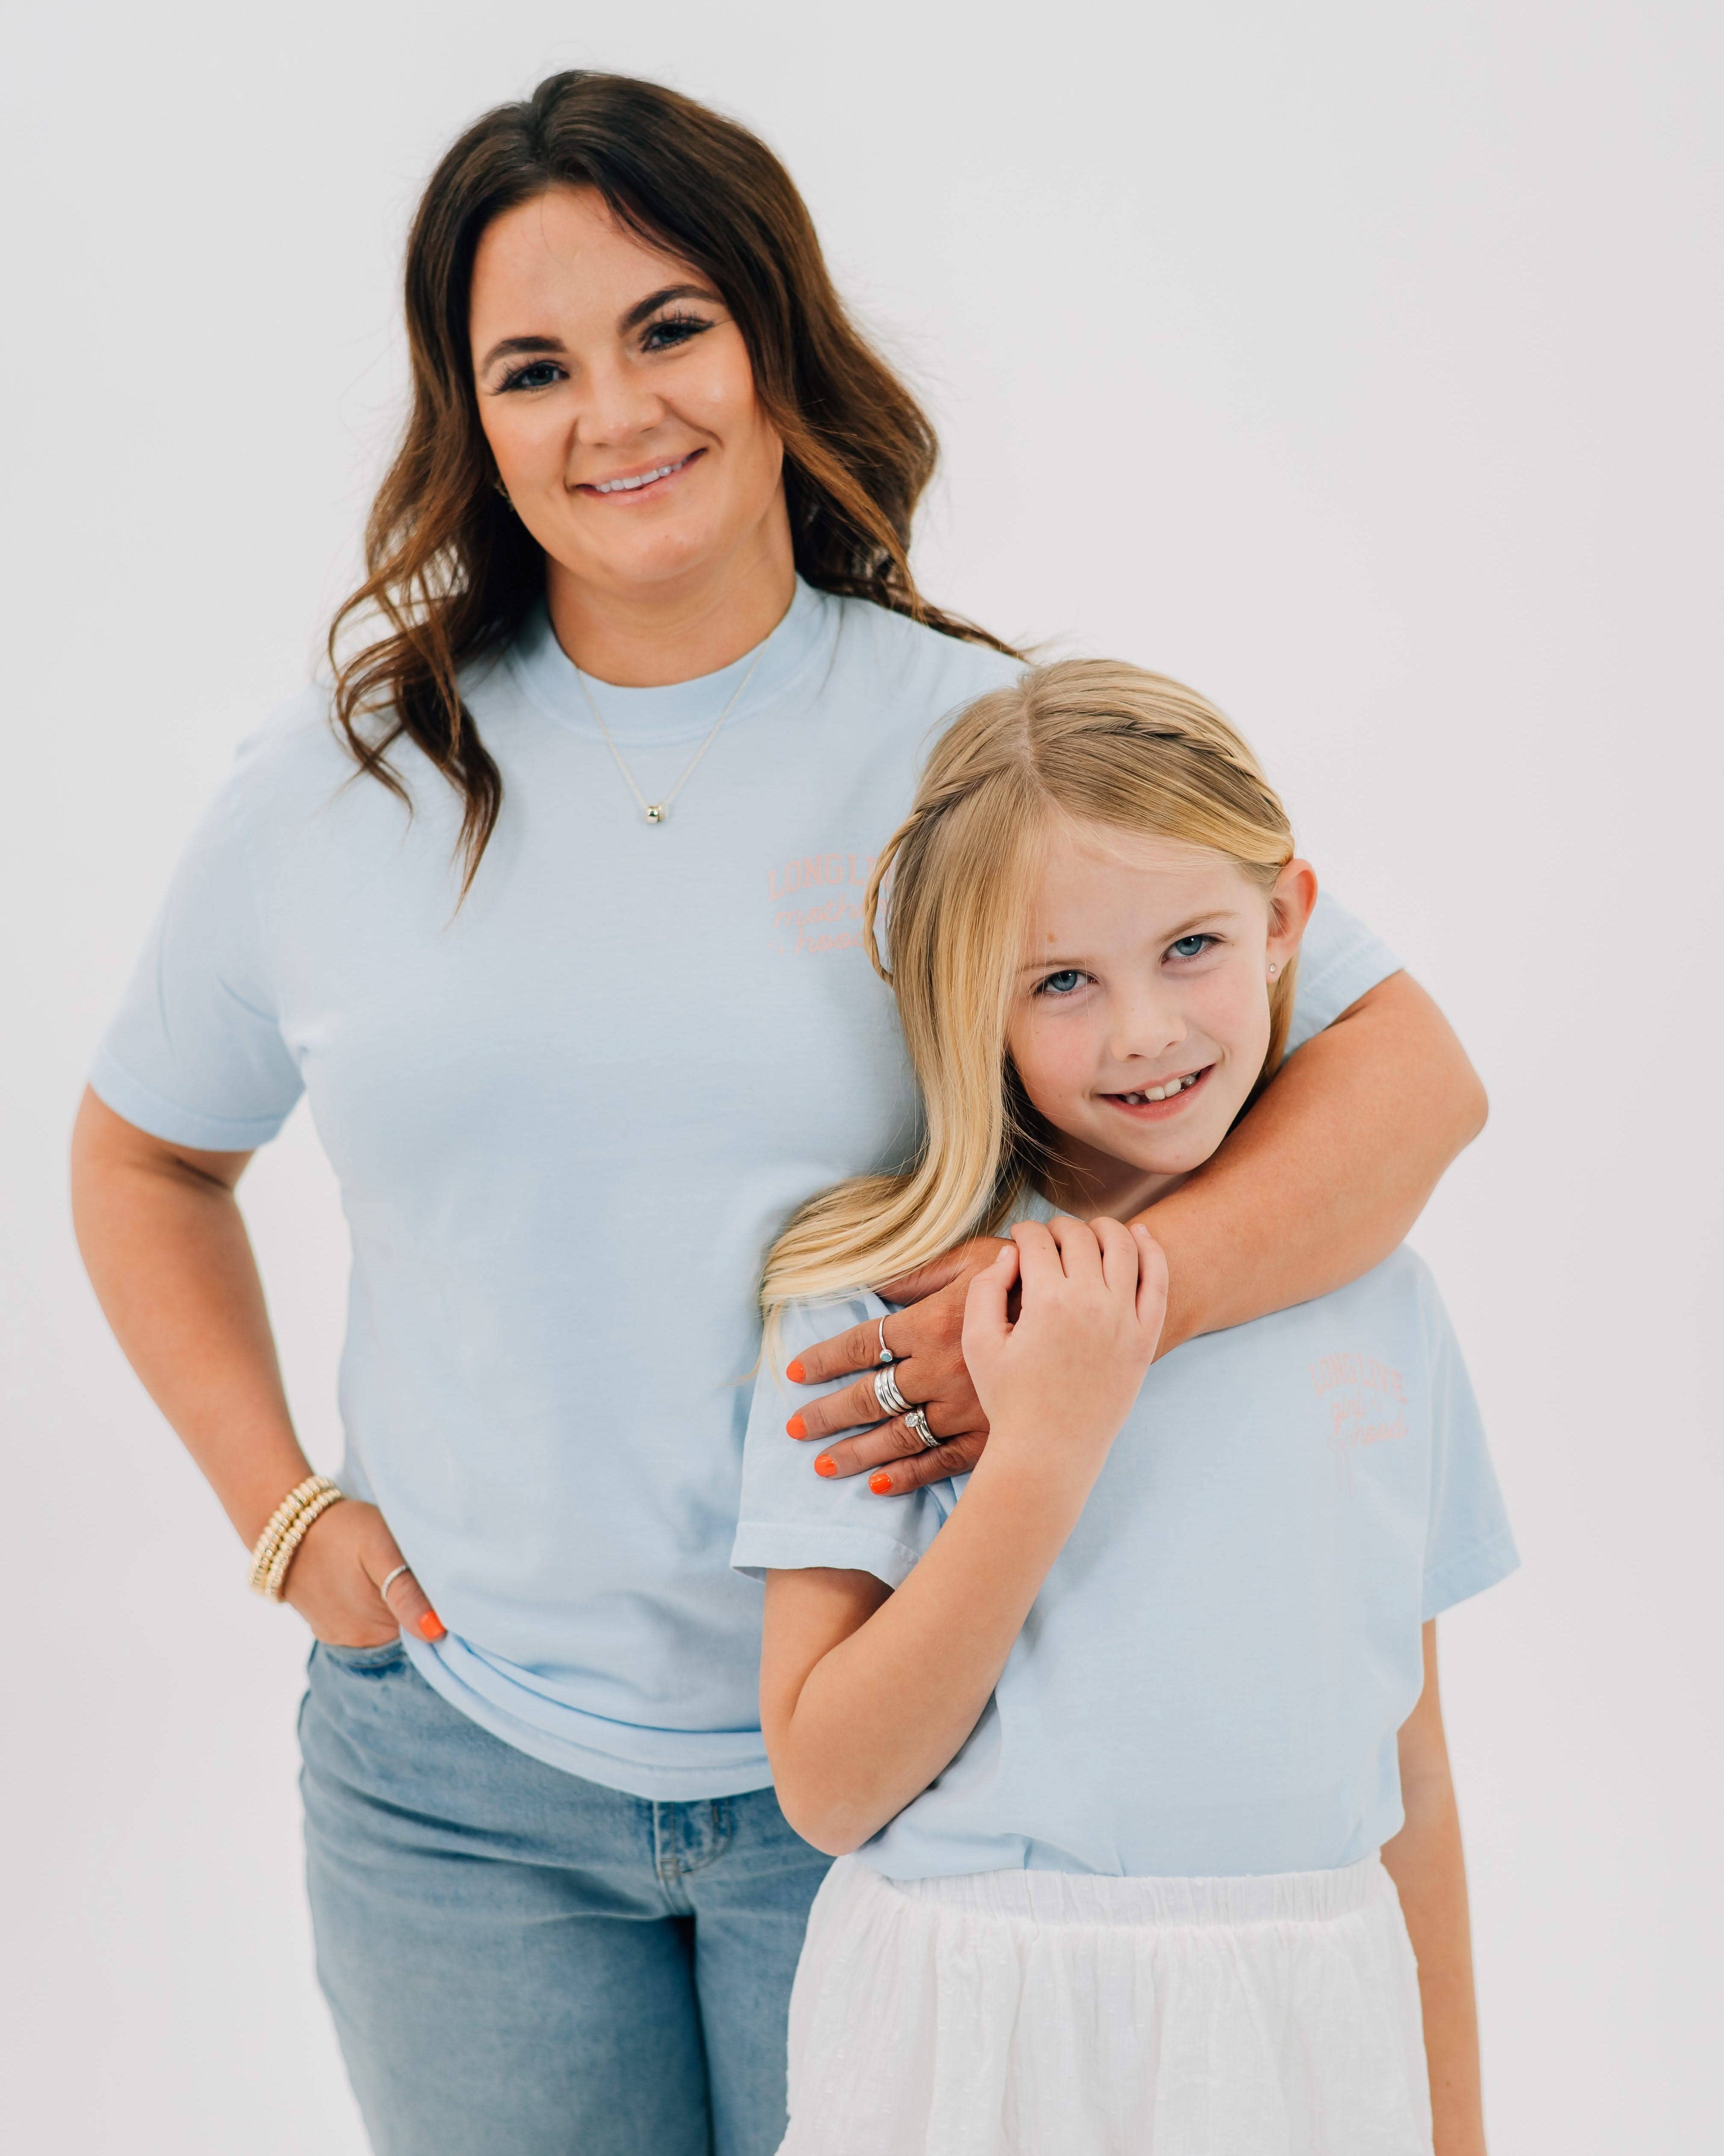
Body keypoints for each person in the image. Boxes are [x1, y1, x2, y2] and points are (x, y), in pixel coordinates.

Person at [69, 69, 1485, 2156]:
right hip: (459, 1780)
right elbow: (144, 1156)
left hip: (929, 1760)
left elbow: (1411, 1079)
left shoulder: (980, 745)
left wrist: (1079, 1312)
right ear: (472, 420)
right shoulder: (335, 787)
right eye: (534, 367)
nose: (614, 411)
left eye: (671, 329)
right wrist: (280, 1513)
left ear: (773, 340)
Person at [742, 660, 1516, 2156]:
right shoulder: (877, 1304)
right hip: (980, 2038)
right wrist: (1042, 1448)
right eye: (1062, 981)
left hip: (1307, 2033)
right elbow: (830, 1787)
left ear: (1285, 921)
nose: (1145, 1030)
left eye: (1191, 947)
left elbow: (1411, 1773)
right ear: (971, 997)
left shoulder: (1379, 1296)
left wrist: (1458, 2132)